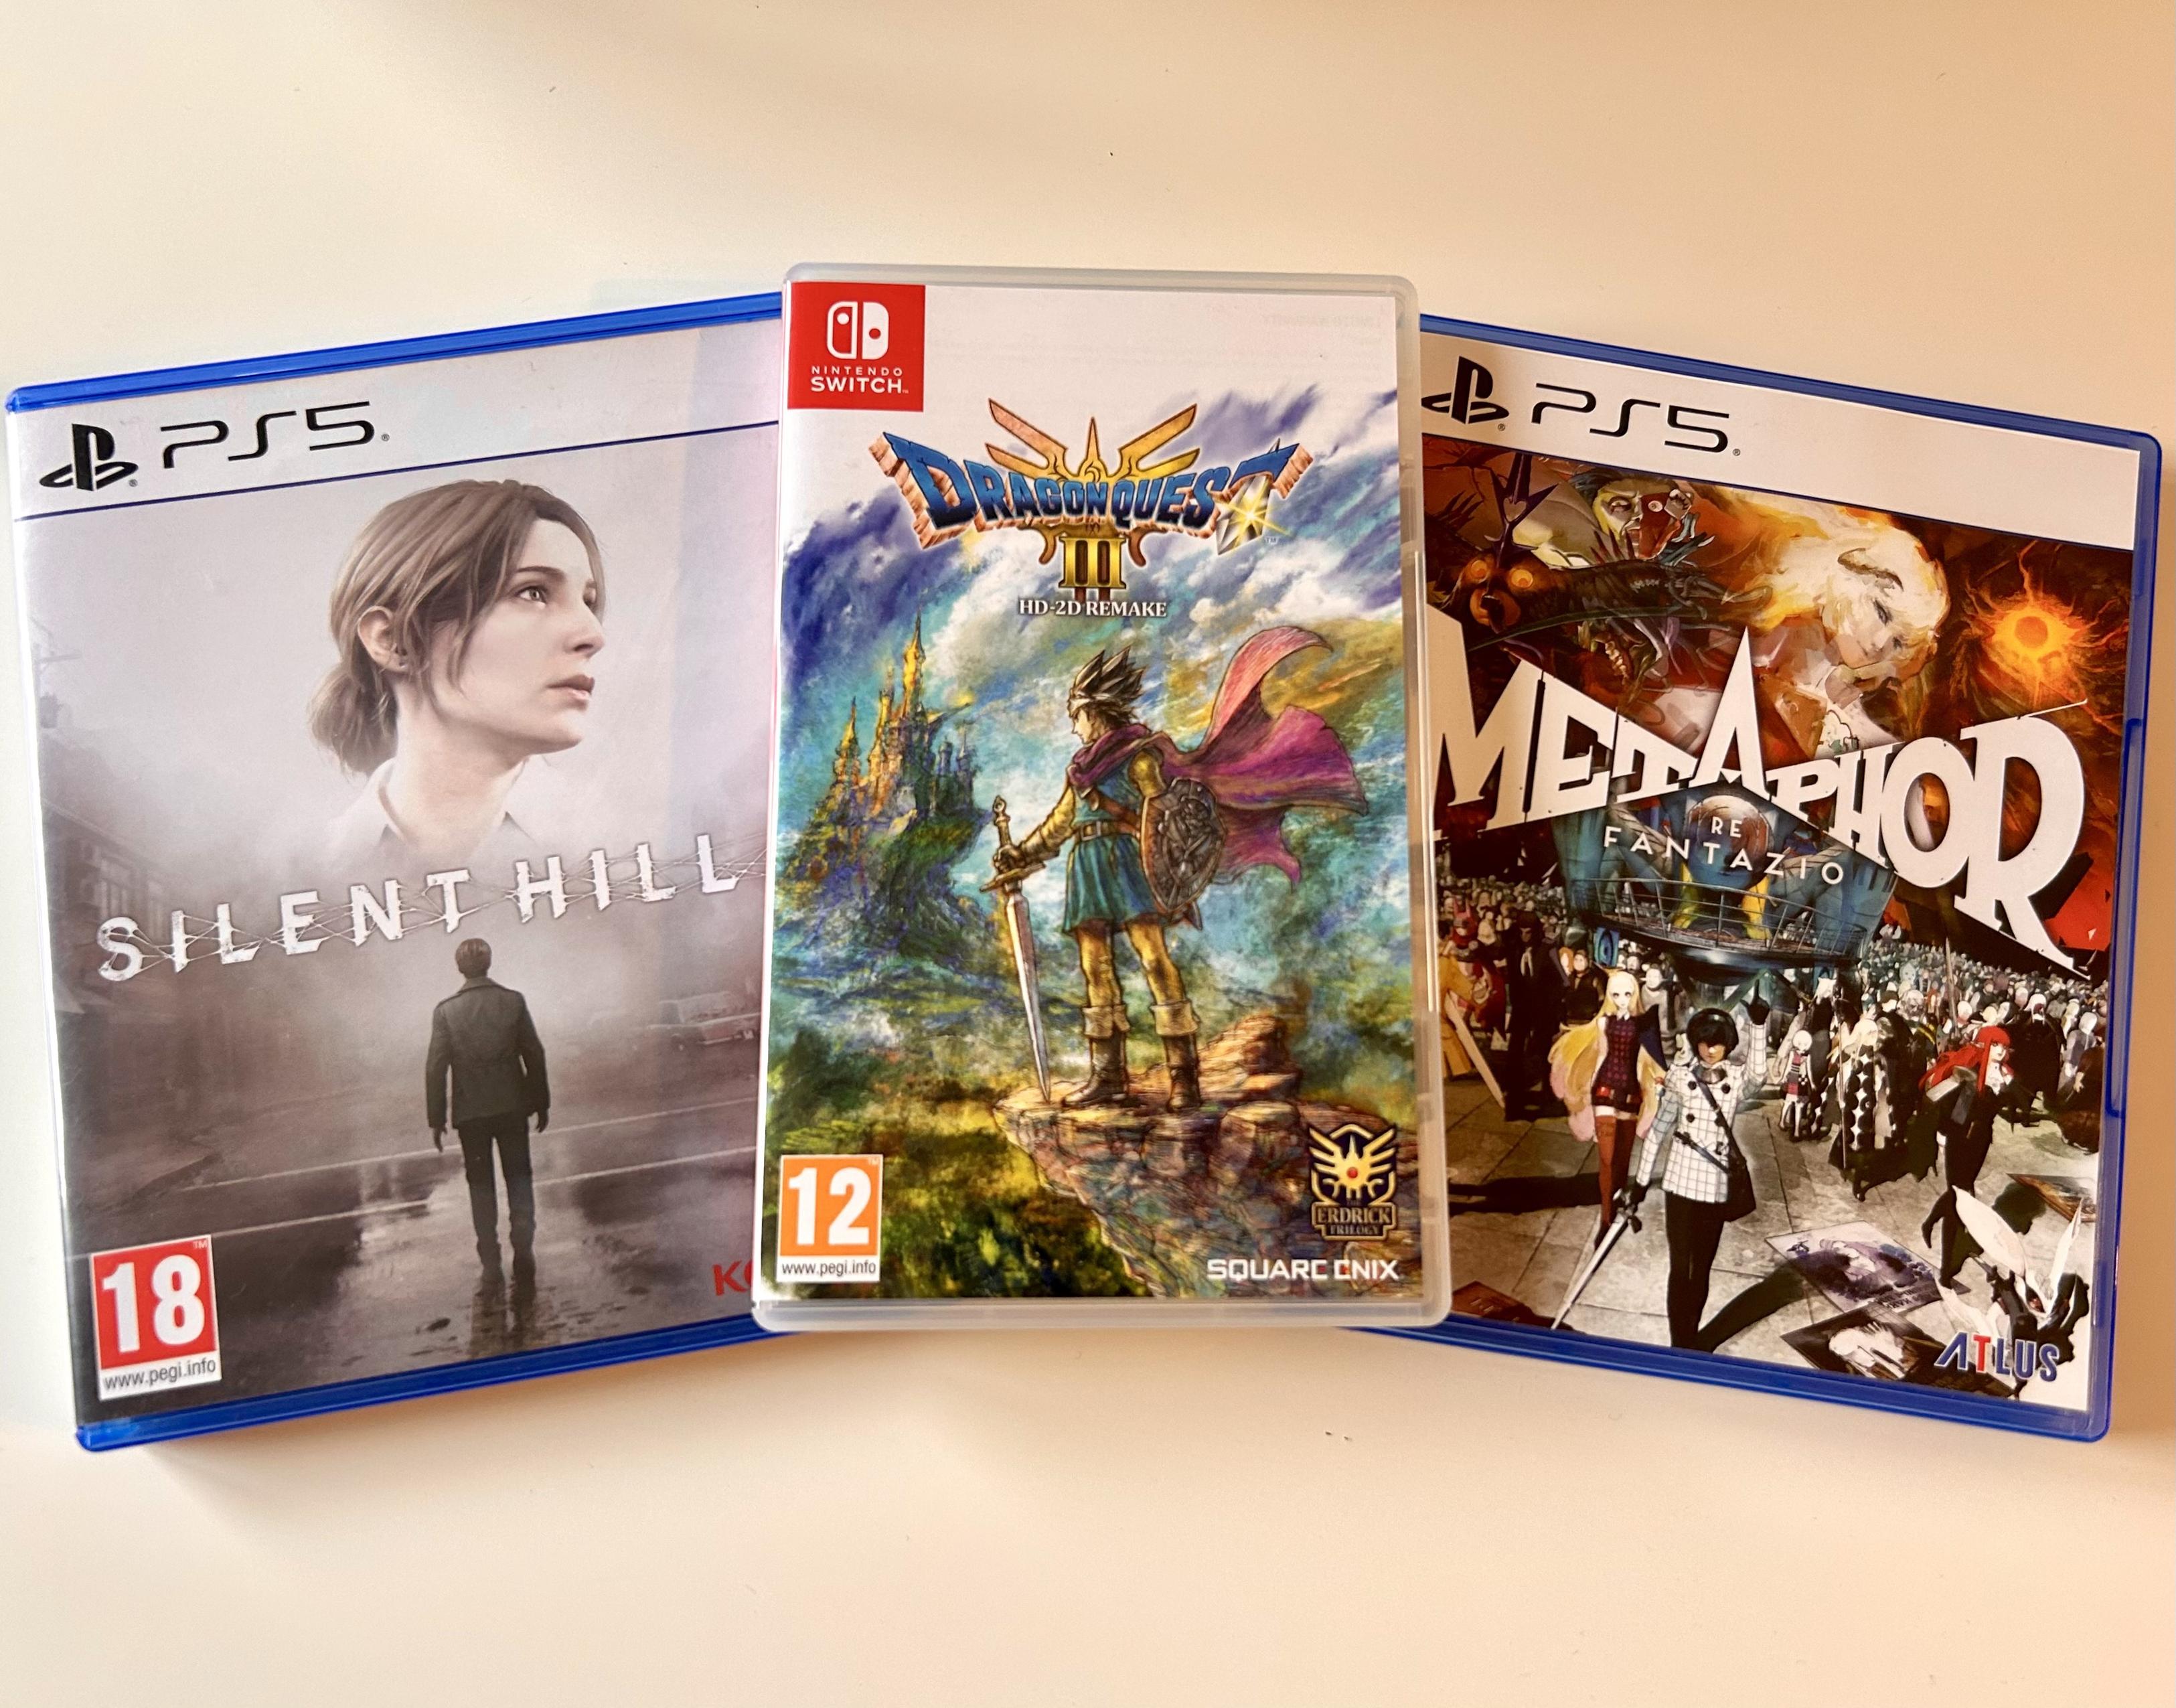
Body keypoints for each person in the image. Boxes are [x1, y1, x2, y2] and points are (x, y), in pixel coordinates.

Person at [994, 632, 1365, 1112]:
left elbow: (1167, 819)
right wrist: (1020, 853)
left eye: (1077, 715)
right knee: (1094, 967)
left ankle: (1183, 1077)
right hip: (1086, 867)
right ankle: (1108, 1077)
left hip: (1130, 863)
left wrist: (1148, 843)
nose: (1074, 725)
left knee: (1154, 959)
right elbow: (1061, 823)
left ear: (1097, 712)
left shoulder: (1140, 757)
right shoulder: (1080, 771)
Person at [313, 479, 606, 870]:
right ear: (393, 640)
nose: (593, 635)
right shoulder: (307, 872)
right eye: (533, 592)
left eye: (588, 601)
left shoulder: (617, 847)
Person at [1621, 1006, 1768, 1348]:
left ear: (1728, 1044)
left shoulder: (1735, 1080)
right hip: (1679, 1184)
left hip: (1714, 1187)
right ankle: (1679, 1343)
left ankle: (1689, 1338)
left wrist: (1759, 1026)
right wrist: (1640, 1182)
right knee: (1679, 1267)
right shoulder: (1680, 1078)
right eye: (1704, 1042)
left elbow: (1759, 1075)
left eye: (1717, 1043)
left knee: (1701, 1269)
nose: (1710, 1049)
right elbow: (1658, 1132)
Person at [427, 937, 551, 1280]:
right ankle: (523, 1248)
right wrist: (540, 1102)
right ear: (489, 963)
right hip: (512, 1107)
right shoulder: (513, 1001)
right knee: (519, 1177)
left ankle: (489, 1258)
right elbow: (534, 1053)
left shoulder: (446, 1011)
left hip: (471, 1114)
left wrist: (437, 1118)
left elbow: (436, 1067)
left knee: (480, 1185)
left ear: (459, 968)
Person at [1549, 969, 1666, 1240]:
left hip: (1630, 1093)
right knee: (1606, 1158)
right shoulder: (1604, 1023)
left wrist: (1656, 1083)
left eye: (1627, 994)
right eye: (1616, 995)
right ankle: (1606, 1216)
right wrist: (1589, 1092)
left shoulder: (1643, 1024)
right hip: (1604, 1089)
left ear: (1634, 994)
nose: (1622, 1000)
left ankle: (1616, 1203)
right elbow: (1602, 1055)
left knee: (1622, 1161)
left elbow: (1648, 1061)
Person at [1917, 1024, 2010, 1288]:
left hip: (1980, 1141)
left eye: (2004, 1047)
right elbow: (1955, 1113)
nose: (2001, 1051)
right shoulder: (1970, 1073)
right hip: (1961, 1141)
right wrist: (1942, 1137)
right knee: (1960, 1199)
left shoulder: (2001, 1074)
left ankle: (1931, 1222)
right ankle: (1947, 1268)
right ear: (1984, 1045)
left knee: (1962, 1194)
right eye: (1996, 1045)